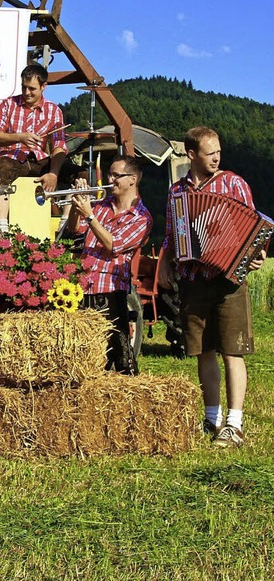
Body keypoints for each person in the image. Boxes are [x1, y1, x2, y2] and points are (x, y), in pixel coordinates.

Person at [158, 126, 266, 448]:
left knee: (232, 350)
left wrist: (256, 254)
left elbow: (253, 226)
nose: (217, 157)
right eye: (210, 152)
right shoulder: (177, 192)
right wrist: (165, 260)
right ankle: (211, 417)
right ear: (192, 154)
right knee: (202, 350)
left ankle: (235, 424)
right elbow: (170, 233)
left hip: (229, 280)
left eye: (218, 150)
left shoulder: (233, 183)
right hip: (192, 279)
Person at [66, 155, 153, 375]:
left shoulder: (141, 218)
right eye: (110, 174)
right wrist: (78, 203)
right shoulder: (102, 206)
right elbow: (74, 229)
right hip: (84, 286)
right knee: (83, 357)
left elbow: (114, 245)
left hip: (111, 292)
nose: (109, 179)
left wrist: (89, 215)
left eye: (116, 175)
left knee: (120, 356)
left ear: (132, 179)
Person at [0, 63, 68, 240]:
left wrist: (53, 174)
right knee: (1, 169)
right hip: (12, 157)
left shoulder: (54, 110)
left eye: (32, 89)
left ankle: (68, 226)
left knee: (78, 173)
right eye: (24, 87)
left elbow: (59, 145)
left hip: (40, 160)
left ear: (44, 87)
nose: (27, 92)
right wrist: (20, 137)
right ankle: (2, 228)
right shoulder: (7, 105)